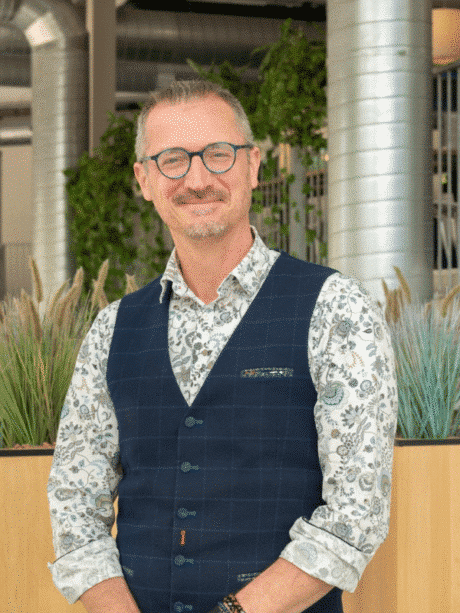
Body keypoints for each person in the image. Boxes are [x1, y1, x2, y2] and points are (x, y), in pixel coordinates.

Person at [47, 80, 398, 613]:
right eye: (172, 160)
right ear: (144, 180)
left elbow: (355, 515)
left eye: (217, 154)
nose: (197, 179)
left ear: (253, 165)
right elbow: (75, 510)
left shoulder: (335, 309)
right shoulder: (111, 329)